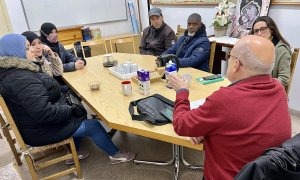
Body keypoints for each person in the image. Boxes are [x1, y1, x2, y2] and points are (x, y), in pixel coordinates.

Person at [0, 34, 135, 165]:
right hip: (40, 130)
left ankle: (74, 154)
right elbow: (44, 113)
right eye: (28, 47)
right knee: (93, 125)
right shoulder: (22, 78)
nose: (32, 49)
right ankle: (116, 155)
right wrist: (69, 110)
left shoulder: (15, 72)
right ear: (15, 51)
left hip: (34, 125)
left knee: (79, 113)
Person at [168, 35, 291, 179]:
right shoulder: (278, 89)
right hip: (266, 174)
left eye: (229, 56)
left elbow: (181, 124)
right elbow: (248, 124)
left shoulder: (225, 99)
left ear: (236, 64)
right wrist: (209, 128)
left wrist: (182, 91)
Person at [250, 16, 292, 87]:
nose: (259, 33)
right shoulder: (257, 46)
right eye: (256, 31)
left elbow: (284, 79)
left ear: (271, 30)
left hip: (269, 90)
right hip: (255, 85)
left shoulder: (281, 50)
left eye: (263, 29)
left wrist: (264, 86)